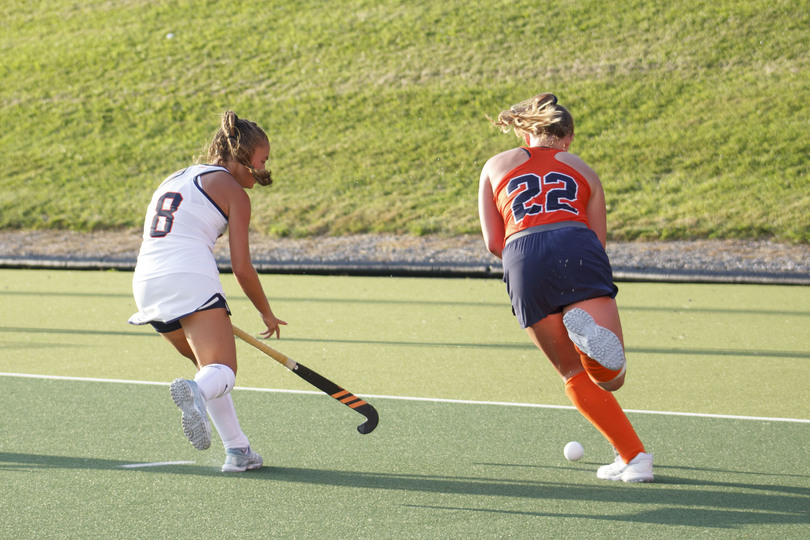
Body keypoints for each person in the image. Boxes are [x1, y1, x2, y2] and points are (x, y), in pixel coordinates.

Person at [477, 93, 653, 482]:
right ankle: (595, 351)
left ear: (526, 133)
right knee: (613, 376)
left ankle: (636, 459)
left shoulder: (495, 165)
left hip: (522, 251)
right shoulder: (583, 170)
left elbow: (493, 242)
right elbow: (598, 242)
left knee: (570, 372)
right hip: (577, 244)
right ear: (568, 137)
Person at [129, 111, 286, 472]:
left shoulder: (177, 177)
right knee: (221, 370)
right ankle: (196, 392)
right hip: (189, 276)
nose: (264, 167)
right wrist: (266, 312)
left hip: (146, 283)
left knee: (207, 368)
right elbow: (242, 267)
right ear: (243, 157)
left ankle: (238, 451)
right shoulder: (234, 193)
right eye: (262, 160)